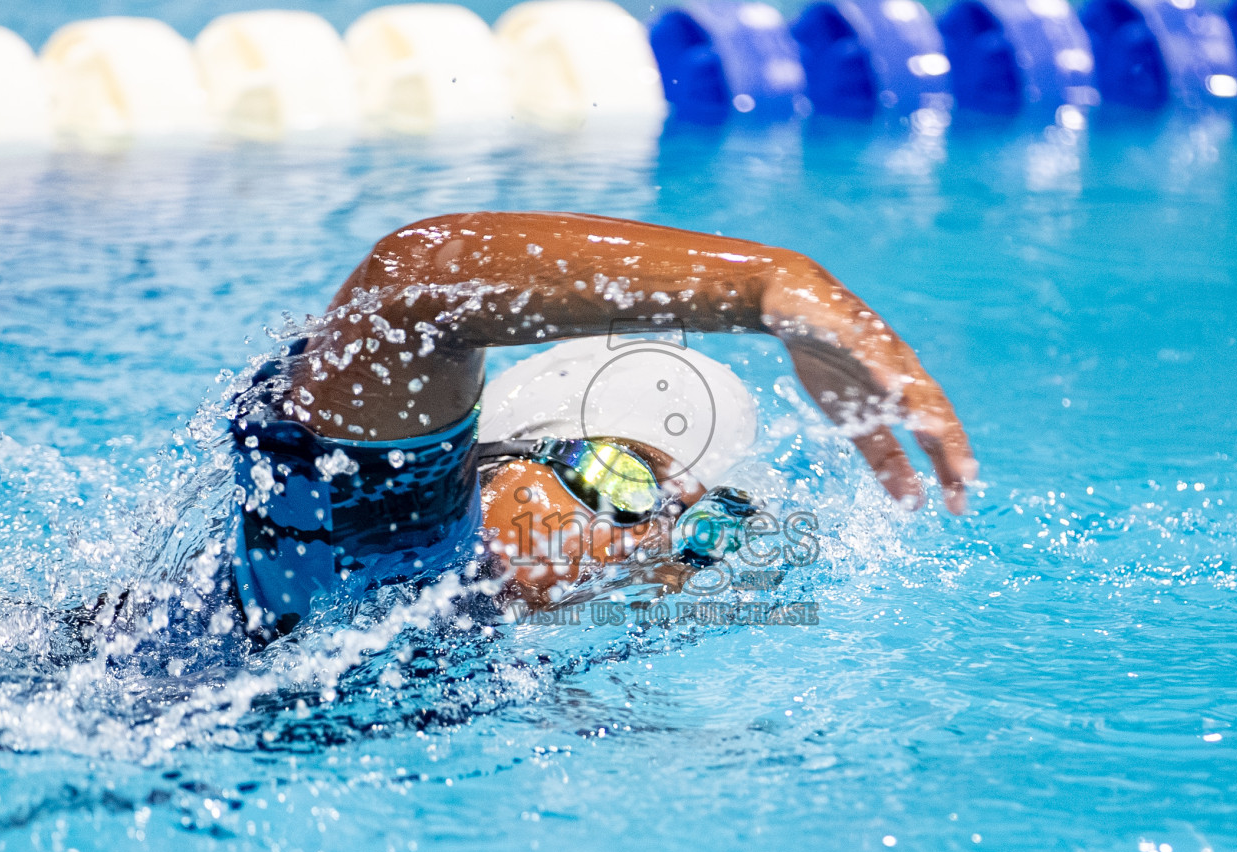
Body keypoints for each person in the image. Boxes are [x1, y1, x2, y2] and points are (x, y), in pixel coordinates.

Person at [224, 210, 977, 645]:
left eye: (701, 534)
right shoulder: (379, 545)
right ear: (499, 462)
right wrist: (770, 286)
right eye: (624, 480)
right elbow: (409, 291)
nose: (647, 542)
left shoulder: (501, 652)